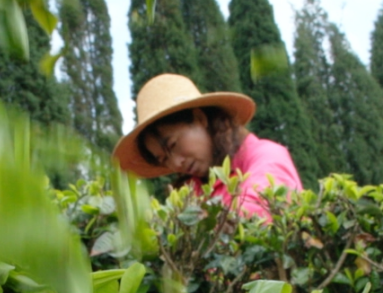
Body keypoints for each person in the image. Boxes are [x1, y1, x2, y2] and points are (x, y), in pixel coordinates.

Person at [112, 73, 301, 219]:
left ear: (200, 118)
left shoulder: (266, 156)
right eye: (164, 159)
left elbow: (254, 213)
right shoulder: (192, 192)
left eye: (174, 144)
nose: (176, 163)